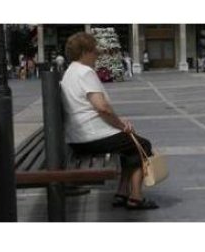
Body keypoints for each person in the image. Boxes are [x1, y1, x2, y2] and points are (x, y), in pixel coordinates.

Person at [60, 32, 158, 210]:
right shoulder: (85, 72)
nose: (97, 54)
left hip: (77, 137)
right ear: (84, 52)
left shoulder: (69, 72)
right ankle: (135, 197)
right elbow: (102, 108)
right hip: (91, 137)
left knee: (128, 146)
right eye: (94, 51)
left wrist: (120, 124)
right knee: (143, 146)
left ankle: (122, 193)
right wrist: (122, 125)